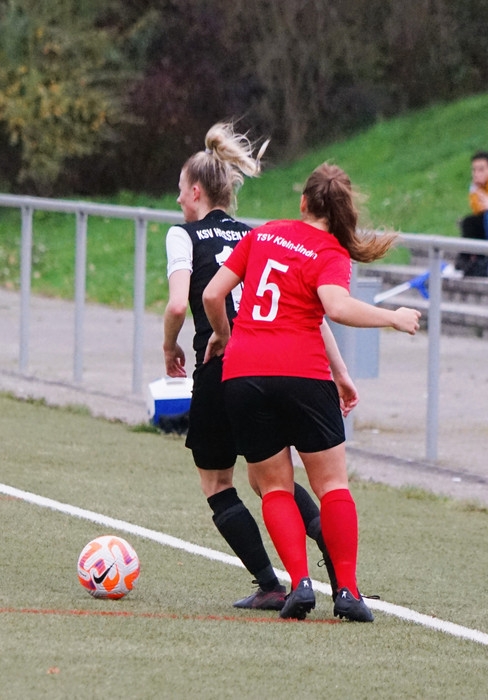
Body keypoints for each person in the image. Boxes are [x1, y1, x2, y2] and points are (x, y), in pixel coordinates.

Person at [203, 162, 421, 622]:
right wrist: (394, 317)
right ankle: (347, 592)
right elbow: (334, 309)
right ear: (341, 210)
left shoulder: (264, 233)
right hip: (302, 373)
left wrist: (223, 334)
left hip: (243, 374)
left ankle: (300, 584)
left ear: (303, 202)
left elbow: (211, 295)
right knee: (332, 485)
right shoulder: (329, 252)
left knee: (274, 486)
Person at [163, 123, 344, 611]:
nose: (178, 199)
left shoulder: (183, 235)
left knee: (217, 483)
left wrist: (169, 346)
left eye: (181, 189)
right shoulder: (258, 234)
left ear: (196, 192)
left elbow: (180, 303)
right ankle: (339, 571)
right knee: (271, 480)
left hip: (219, 363)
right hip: (264, 365)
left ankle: (270, 584)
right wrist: (340, 370)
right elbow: (309, 311)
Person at [456, 151, 488, 278]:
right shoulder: (476, 187)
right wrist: (477, 190)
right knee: (469, 222)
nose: (476, 174)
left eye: (481, 170)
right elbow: (478, 209)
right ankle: (466, 259)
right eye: (474, 170)